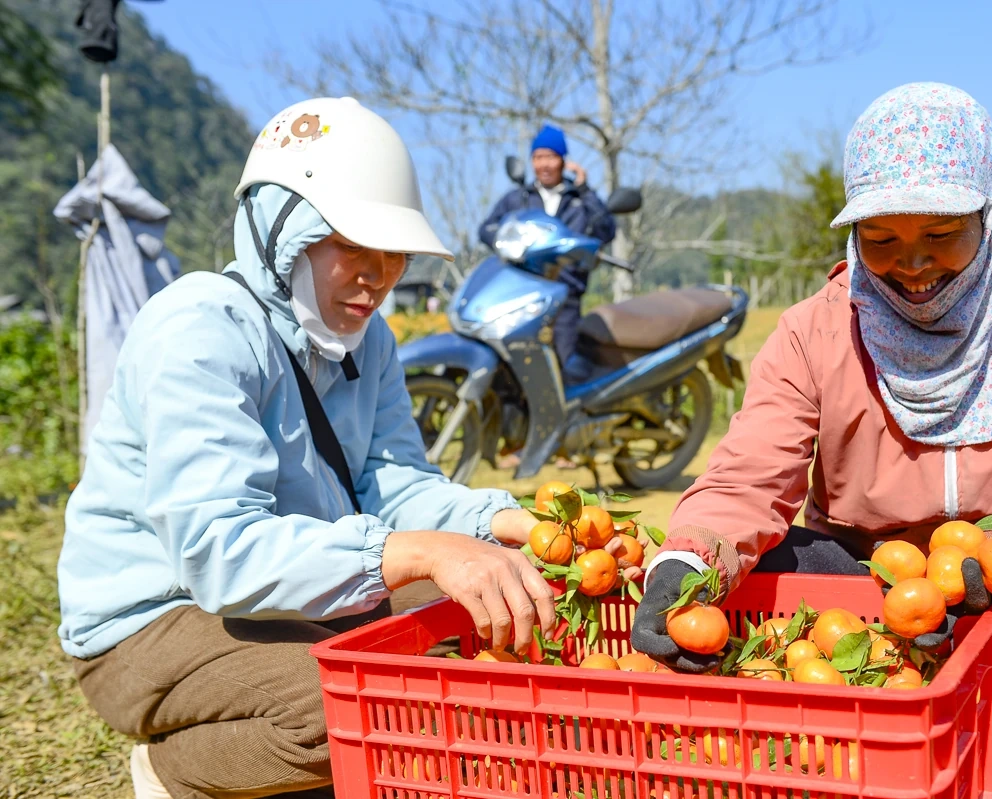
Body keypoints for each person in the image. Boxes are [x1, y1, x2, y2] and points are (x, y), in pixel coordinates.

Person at [57, 97, 639, 799]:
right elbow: (218, 550)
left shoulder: (371, 342)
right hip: (157, 617)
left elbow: (395, 482)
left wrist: (506, 524)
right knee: (348, 708)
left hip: (284, 597)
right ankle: (175, 767)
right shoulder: (200, 328)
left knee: (479, 616)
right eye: (353, 245)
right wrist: (420, 552)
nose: (381, 272)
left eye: (394, 251)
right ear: (282, 231)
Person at [631, 83, 992, 799]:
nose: (913, 265)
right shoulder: (814, 331)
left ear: (988, 214)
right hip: (853, 573)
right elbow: (749, 478)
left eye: (942, 234)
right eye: (882, 240)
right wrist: (688, 558)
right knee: (771, 575)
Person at [479, 124, 616, 368]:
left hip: (566, 299)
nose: (544, 164)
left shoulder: (578, 201)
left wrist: (586, 190)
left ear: (563, 161)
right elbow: (487, 229)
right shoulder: (518, 199)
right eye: (538, 157)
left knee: (565, 368)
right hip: (523, 297)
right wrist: (511, 246)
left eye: (551, 156)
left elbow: (606, 230)